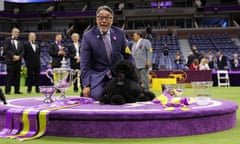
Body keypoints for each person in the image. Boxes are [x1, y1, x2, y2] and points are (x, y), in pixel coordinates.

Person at [80, 5, 133, 100]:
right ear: (96, 19)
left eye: (107, 17)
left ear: (112, 20)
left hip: (117, 76)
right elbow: (85, 64)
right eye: (101, 17)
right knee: (97, 97)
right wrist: (86, 85)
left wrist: (133, 77)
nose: (104, 21)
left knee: (124, 97)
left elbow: (128, 57)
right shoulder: (88, 36)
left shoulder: (120, 33)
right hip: (98, 77)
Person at [4, 27, 24, 94]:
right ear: (12, 32)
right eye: (15, 32)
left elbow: (22, 51)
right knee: (9, 76)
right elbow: (6, 49)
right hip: (10, 61)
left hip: (18, 61)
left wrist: (19, 57)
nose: (17, 33)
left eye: (18, 32)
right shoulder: (7, 40)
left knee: (17, 76)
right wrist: (13, 56)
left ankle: (17, 90)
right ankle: (7, 90)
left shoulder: (20, 41)